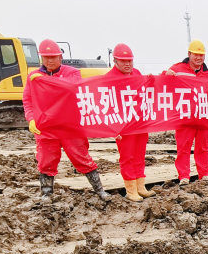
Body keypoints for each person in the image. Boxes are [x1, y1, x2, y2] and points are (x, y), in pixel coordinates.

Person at [24, 39, 109, 203]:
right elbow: (28, 100)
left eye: (53, 57)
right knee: (46, 160)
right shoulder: (33, 77)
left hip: (70, 127)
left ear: (60, 57)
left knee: (82, 158)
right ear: (41, 58)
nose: (50, 60)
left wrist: (44, 80)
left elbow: (71, 88)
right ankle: (46, 193)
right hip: (46, 128)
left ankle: (100, 191)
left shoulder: (72, 73)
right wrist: (31, 119)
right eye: (46, 57)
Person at [106, 43, 152, 202]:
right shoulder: (109, 79)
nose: (127, 64)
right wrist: (113, 128)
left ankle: (141, 186)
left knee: (139, 155)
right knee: (127, 156)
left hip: (139, 124)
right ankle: (130, 189)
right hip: (123, 126)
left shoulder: (137, 73)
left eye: (129, 60)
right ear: (115, 61)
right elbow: (106, 105)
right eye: (123, 60)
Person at [165, 40, 208, 184]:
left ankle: (204, 173)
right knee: (183, 148)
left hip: (203, 117)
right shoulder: (178, 68)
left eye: (201, 55)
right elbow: (164, 80)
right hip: (185, 116)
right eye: (196, 55)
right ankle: (184, 176)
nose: (199, 58)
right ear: (189, 54)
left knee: (203, 147)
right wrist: (166, 74)